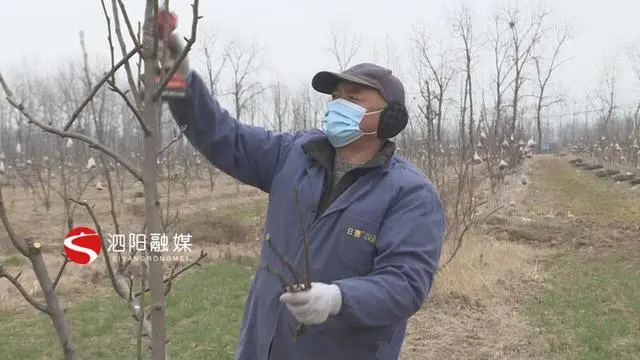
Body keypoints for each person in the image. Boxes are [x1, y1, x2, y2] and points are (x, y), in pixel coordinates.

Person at [159, 12, 446, 360]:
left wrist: (338, 298)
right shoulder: (293, 154)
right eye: (335, 98)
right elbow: (223, 137)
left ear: (390, 118)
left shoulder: (410, 194)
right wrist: (179, 82)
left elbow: (405, 284)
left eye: (353, 99)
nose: (338, 106)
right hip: (262, 348)